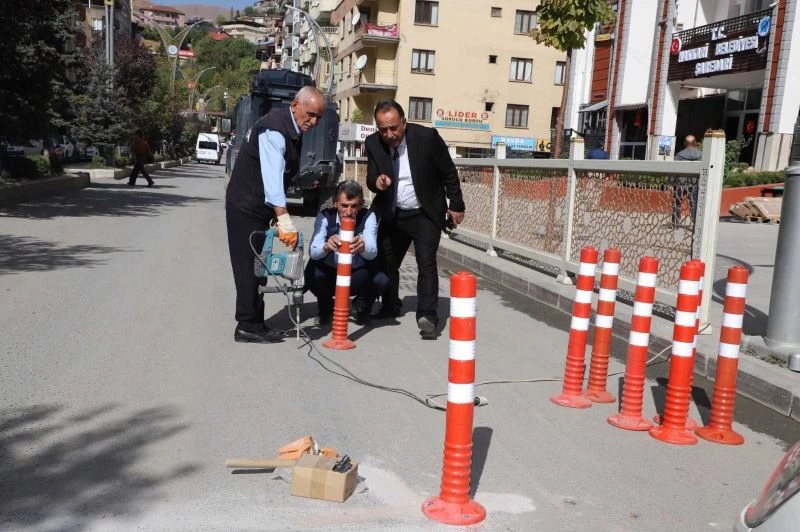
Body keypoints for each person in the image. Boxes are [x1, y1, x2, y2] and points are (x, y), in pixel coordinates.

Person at [226, 86, 327, 343]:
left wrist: (274, 216)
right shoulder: (275, 130)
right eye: (310, 114)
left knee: (258, 266)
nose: (313, 122)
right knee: (248, 266)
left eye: (318, 117)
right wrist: (284, 220)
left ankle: (257, 322)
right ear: (295, 105)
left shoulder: (289, 126)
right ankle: (247, 325)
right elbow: (272, 180)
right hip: (246, 204)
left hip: (256, 205)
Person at [365, 100, 466, 337]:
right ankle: (390, 305)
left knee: (426, 263)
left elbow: (448, 172)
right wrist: (376, 182)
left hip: (425, 212)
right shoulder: (372, 143)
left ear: (404, 123)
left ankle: (427, 316)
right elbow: (370, 177)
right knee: (387, 262)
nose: (389, 135)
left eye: (393, 128)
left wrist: (456, 205)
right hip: (394, 212)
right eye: (383, 129)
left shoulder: (427, 138)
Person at [304, 180, 389, 326]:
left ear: (361, 204)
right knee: (313, 273)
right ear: (335, 202)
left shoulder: (368, 217)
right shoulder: (325, 216)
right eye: (344, 205)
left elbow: (372, 252)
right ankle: (326, 309)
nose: (348, 212)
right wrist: (326, 246)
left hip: (355, 275)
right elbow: (313, 252)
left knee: (381, 278)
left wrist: (363, 247)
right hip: (330, 274)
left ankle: (360, 308)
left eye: (354, 206)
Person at [672, 134, 703, 227]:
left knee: (677, 202)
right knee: (693, 204)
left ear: (685, 143)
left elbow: (674, 170)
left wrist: (672, 182)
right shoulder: (701, 155)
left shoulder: (679, 155)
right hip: (695, 183)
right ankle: (695, 223)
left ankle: (675, 223)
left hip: (680, 183)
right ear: (695, 143)